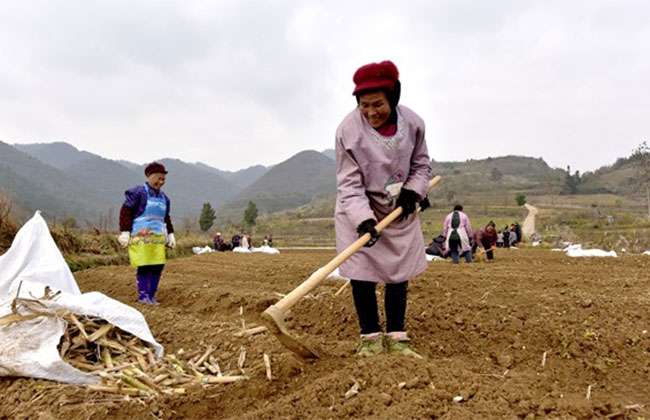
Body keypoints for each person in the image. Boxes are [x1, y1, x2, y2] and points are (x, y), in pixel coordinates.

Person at [335, 60, 432, 358]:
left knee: (398, 273)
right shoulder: (348, 131)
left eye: (378, 104)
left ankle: (397, 338)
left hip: (398, 209)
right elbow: (349, 184)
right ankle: (370, 339)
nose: (371, 112)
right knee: (362, 274)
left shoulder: (413, 124)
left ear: (394, 97)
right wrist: (364, 221)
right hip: (358, 209)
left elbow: (422, 164)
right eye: (364, 105)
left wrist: (413, 192)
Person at [118, 162, 175, 305]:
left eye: (163, 180)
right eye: (159, 178)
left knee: (157, 265)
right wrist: (125, 231)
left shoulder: (164, 198)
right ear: (150, 176)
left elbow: (166, 218)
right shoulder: (138, 192)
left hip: (157, 239)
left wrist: (170, 234)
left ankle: (151, 295)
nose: (161, 182)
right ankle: (143, 295)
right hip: (141, 236)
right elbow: (126, 212)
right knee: (144, 265)